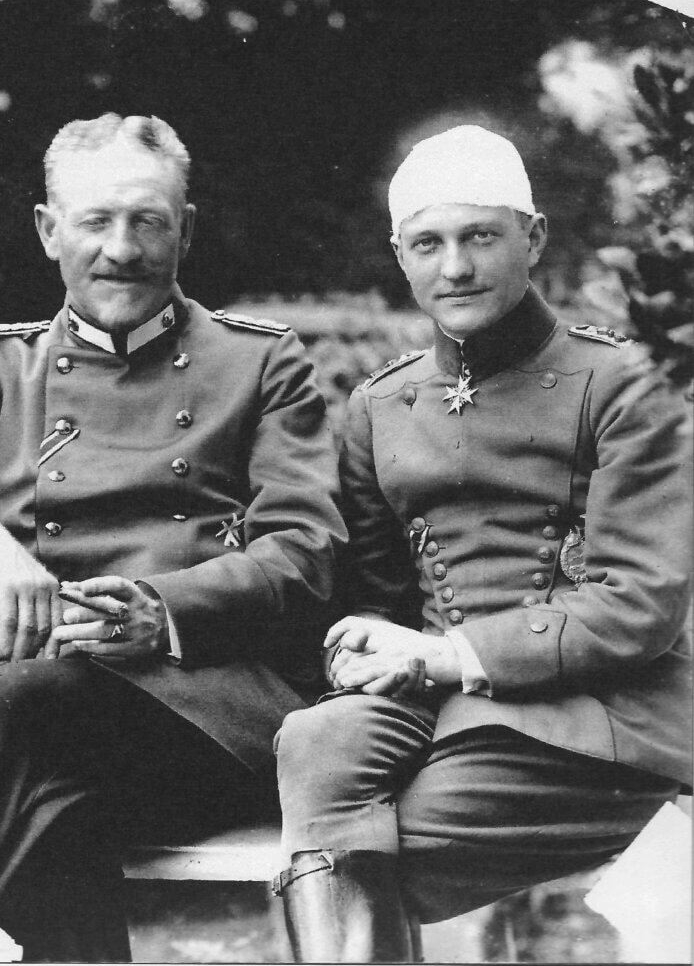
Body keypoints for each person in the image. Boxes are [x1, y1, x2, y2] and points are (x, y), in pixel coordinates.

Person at [0, 113, 346, 962]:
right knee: (53, 812)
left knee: (1, 703)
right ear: (47, 230)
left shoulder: (260, 365)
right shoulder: (3, 368)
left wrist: (164, 609)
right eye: (95, 221)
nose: (123, 248)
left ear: (184, 229)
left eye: (148, 220)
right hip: (49, 735)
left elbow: (307, 548)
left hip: (213, 716)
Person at [272, 125, 692, 962]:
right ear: (400, 255)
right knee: (313, 741)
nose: (454, 268)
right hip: (443, 707)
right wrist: (360, 640)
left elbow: (638, 605)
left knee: (356, 855)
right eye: (428, 243)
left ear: (532, 239)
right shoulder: (380, 406)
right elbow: (377, 595)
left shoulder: (622, 387)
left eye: (480, 236)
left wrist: (437, 657)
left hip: (598, 709)